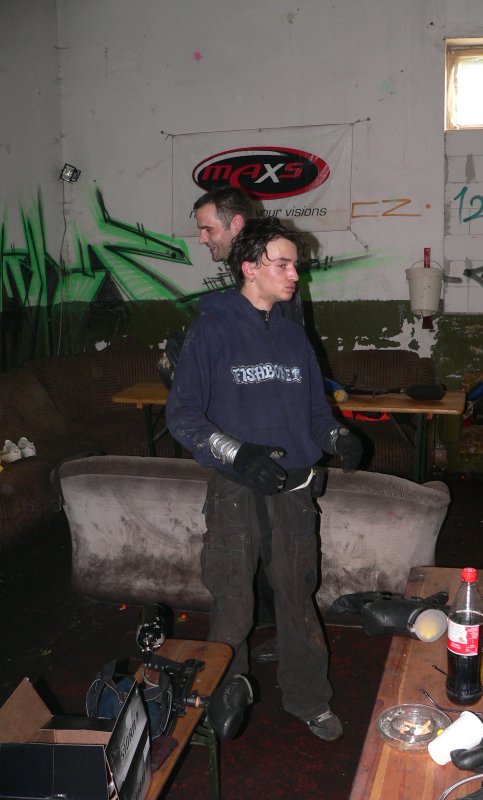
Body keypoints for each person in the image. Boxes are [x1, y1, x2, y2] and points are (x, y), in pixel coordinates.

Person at [166, 217, 362, 741]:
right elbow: (182, 415)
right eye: (284, 264)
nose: (296, 274)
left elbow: (314, 413)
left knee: (298, 598)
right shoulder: (211, 328)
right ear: (250, 268)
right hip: (236, 491)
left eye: (296, 265)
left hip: (295, 490)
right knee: (233, 603)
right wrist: (238, 453)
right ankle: (222, 698)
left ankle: (308, 699)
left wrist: (337, 436)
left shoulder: (294, 335)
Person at [193, 186, 304, 323]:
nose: (202, 239)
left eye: (208, 230)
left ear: (236, 224)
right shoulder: (249, 268)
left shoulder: (266, 274)